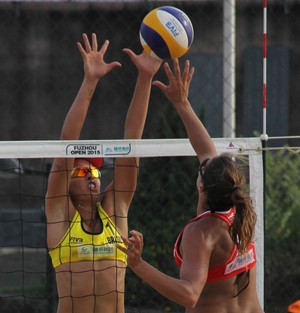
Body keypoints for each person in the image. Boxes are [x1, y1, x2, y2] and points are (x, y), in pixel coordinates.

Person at [118, 58, 264, 313]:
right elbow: (206, 151)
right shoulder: (240, 212)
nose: (205, 158)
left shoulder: (201, 232)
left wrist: (138, 265)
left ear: (201, 187)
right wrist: (181, 102)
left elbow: (189, 294)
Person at [45, 33, 161, 313]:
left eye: (95, 171)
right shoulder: (60, 214)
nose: (91, 176)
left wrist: (145, 78)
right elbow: (65, 151)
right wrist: (90, 82)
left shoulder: (115, 208)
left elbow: (131, 144)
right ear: (68, 183)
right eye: (82, 170)